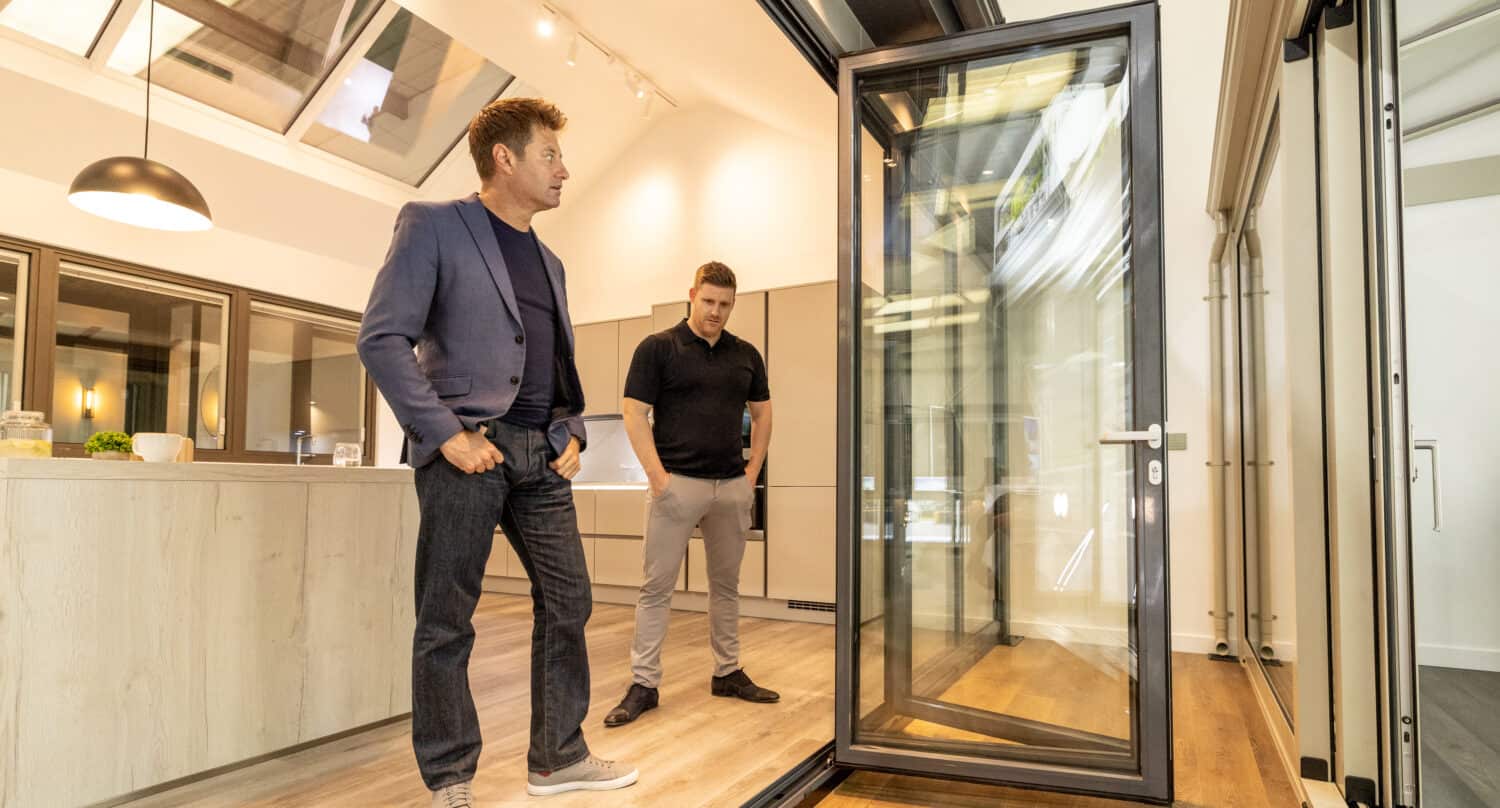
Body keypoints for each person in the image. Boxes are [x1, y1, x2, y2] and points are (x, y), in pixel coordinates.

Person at [357, 97, 637, 806]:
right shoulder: (435, 225)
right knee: (447, 617)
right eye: (551, 155)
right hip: (467, 448)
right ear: (504, 158)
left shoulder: (552, 262)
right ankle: (450, 775)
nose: (564, 170)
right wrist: (447, 433)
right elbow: (382, 339)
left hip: (541, 457)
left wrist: (571, 431)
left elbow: (557, 371)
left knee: (570, 599)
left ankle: (557, 757)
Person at [604, 261, 780, 728]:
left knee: (726, 587)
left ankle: (727, 672)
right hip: (677, 486)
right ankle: (644, 682)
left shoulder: (746, 354)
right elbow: (633, 413)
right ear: (692, 296)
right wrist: (658, 478)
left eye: (724, 304)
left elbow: (762, 415)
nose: (715, 312)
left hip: (731, 488)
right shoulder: (658, 348)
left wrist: (751, 473)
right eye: (708, 302)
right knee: (655, 588)